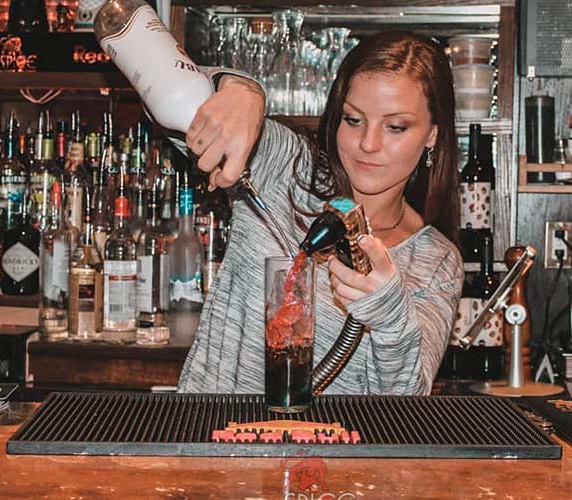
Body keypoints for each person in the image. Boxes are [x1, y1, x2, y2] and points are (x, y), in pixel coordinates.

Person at [177, 32, 464, 395]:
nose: (368, 144)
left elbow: (403, 404)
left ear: (432, 135)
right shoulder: (285, 168)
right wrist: (238, 88)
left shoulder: (435, 262)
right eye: (353, 120)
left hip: (331, 452)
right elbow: (164, 92)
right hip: (209, 441)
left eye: (395, 127)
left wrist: (390, 313)